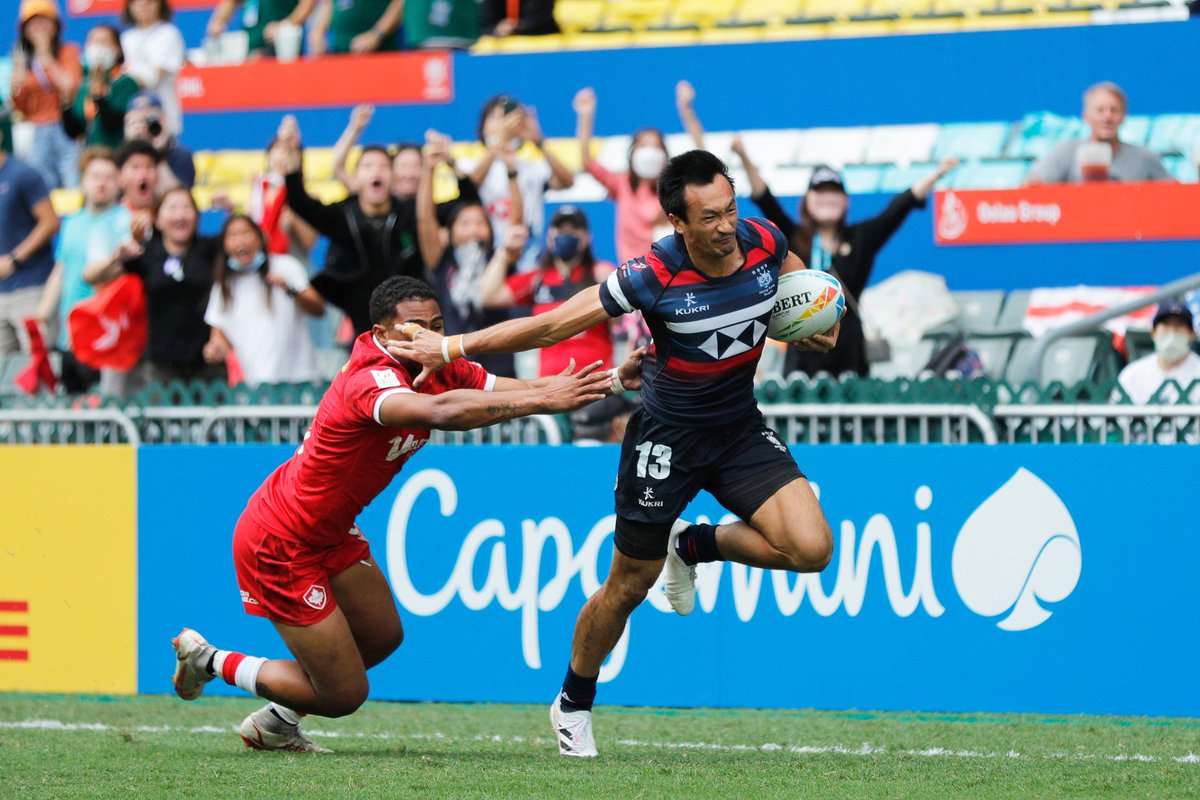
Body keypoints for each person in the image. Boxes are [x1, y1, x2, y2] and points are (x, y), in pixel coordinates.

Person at [389, 151, 840, 757]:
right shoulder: (652, 272)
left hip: (738, 430)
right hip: (665, 441)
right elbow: (554, 324)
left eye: (730, 209)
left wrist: (816, 321)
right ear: (677, 221)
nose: (726, 226)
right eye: (709, 217)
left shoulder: (763, 239)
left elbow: (804, 288)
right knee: (628, 585)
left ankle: (692, 545)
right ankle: (573, 701)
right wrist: (450, 347)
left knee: (812, 549)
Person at [169, 275, 628, 752]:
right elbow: (444, 412)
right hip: (281, 539)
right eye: (413, 326)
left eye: (436, 325)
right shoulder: (369, 377)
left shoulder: (436, 361)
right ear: (382, 333)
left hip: (331, 532)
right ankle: (208, 660)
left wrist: (615, 380)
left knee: (382, 636)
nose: (428, 335)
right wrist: (540, 401)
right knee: (344, 695)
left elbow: (522, 386)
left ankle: (276, 722)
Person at [732, 144, 958, 377]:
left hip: (849, 349)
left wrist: (937, 174)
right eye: (820, 191)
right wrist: (743, 155)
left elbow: (898, 208)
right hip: (802, 348)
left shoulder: (860, 238)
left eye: (834, 192)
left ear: (846, 200)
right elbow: (764, 198)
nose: (827, 198)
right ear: (807, 200)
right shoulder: (793, 237)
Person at [279, 116, 422, 334]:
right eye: (368, 166)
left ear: (394, 177)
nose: (376, 171)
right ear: (356, 178)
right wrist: (291, 161)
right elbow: (302, 204)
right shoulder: (345, 214)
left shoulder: (409, 214)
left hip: (407, 325)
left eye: (383, 166)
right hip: (360, 326)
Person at [84, 187, 224, 386]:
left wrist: (231, 209)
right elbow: (90, 276)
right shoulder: (147, 253)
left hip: (207, 360)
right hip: (160, 364)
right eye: (172, 208)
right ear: (157, 219)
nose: (179, 215)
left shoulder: (210, 249)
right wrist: (116, 256)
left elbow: (248, 243)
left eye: (186, 208)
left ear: (197, 217)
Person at [418, 131, 518, 377]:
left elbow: (517, 224)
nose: (473, 230)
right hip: (452, 367)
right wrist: (429, 170)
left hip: (498, 368)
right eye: (464, 223)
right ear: (450, 233)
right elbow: (424, 220)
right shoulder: (442, 260)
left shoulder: (499, 258)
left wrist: (512, 172)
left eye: (480, 223)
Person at [480, 204, 615, 377]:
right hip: (551, 384)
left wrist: (609, 288)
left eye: (574, 229)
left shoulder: (601, 275)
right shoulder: (537, 279)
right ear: (549, 237)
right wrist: (505, 252)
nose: (566, 234)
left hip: (597, 380)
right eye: (561, 229)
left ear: (587, 237)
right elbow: (490, 296)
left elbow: (622, 325)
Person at [34, 147, 125, 392]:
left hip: (106, 337)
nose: (101, 183)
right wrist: (42, 318)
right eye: (95, 176)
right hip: (69, 337)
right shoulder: (72, 223)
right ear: (83, 182)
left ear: (119, 182)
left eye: (108, 177)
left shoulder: (126, 221)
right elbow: (61, 271)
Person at [204, 215, 324, 386]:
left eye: (245, 233)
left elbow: (319, 309)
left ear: (260, 237)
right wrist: (215, 349)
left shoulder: (285, 266)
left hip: (300, 380)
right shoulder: (223, 286)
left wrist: (290, 290)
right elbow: (219, 334)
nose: (240, 240)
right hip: (257, 386)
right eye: (233, 235)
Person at [469, 95, 575, 272]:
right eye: (496, 117)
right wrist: (500, 142)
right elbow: (468, 186)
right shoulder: (470, 163)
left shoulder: (531, 167)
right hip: (485, 258)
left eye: (508, 117)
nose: (504, 123)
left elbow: (567, 181)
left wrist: (538, 141)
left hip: (528, 259)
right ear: (483, 127)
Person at [572, 87, 671, 266]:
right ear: (632, 152)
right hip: (630, 272)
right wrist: (585, 116)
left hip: (664, 270)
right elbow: (587, 162)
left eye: (655, 146)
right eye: (643, 145)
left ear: (664, 154)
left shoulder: (672, 190)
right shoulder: (621, 183)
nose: (649, 152)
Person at [1026, 82, 1170, 184]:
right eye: (1100, 110)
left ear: (1123, 116)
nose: (1107, 116)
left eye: (1114, 110)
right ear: (1085, 116)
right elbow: (1031, 190)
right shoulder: (1065, 153)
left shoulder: (1145, 158)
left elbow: (1175, 196)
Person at [0, 128, 60, 358]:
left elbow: (50, 222)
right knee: (4, 373)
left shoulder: (22, 174)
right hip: (2, 293)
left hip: (31, 287)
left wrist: (14, 259)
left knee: (39, 365)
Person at [10, 0, 82, 190]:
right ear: (24, 30)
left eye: (44, 21)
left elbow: (70, 88)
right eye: (34, 22)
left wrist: (46, 57)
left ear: (56, 25)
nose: (39, 27)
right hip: (36, 131)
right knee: (42, 187)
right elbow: (18, 103)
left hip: (66, 128)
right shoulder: (21, 59)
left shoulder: (69, 51)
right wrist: (17, 78)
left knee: (73, 182)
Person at [61, 24, 139, 150]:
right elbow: (74, 131)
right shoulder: (84, 86)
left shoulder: (125, 83)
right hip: (89, 155)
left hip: (117, 153)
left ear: (118, 50)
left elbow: (112, 125)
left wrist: (99, 94)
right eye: (93, 42)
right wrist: (66, 103)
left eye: (104, 42)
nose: (97, 48)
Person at [120, 0, 186, 136]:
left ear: (160, 4)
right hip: (132, 120)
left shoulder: (168, 33)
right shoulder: (126, 38)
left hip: (162, 117)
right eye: (136, 1)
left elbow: (152, 78)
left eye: (149, 1)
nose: (142, 4)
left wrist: (121, 85)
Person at [1115, 301, 1200, 405]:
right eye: (1166, 324)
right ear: (1153, 333)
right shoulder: (1132, 375)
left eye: (1179, 325)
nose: (1172, 331)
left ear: (1192, 334)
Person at [122, 91, 195, 190]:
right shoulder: (121, 156)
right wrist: (131, 145)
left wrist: (158, 151)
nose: (144, 127)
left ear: (164, 120)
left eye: (150, 120)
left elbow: (176, 195)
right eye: (137, 121)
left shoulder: (180, 155)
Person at [206, 0, 315, 57]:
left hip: (280, 50)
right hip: (250, 48)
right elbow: (231, 2)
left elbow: (307, 3)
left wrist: (285, 25)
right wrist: (219, 20)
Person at [307, 0, 403, 56]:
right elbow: (330, 3)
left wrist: (377, 34)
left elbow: (400, 2)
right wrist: (318, 31)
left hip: (378, 51)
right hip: (339, 50)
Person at [480, 0, 559, 36]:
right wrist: (497, 29)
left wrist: (516, 27)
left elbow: (540, 21)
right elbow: (486, 23)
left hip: (540, 40)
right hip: (502, 47)